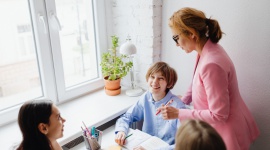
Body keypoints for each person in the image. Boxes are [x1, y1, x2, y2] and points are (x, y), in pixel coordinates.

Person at [159, 7, 260, 150]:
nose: (176, 43)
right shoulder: (207, 50)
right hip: (223, 124)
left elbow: (219, 114)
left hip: (226, 131)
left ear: (192, 34)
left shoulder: (212, 64)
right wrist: (182, 100)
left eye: (176, 37)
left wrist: (178, 113)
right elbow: (196, 82)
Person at [114, 61, 186, 150]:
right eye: (152, 77)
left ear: (169, 83)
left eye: (161, 78)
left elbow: (184, 145)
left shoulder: (178, 107)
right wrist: (121, 131)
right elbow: (126, 117)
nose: (155, 82)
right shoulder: (146, 97)